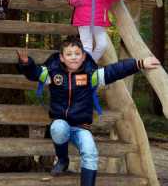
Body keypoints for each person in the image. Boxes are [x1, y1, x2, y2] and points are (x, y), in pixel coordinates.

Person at [17, 36, 160, 185]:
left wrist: (140, 63)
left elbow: (114, 70)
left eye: (77, 54)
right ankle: (63, 160)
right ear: (62, 57)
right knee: (58, 127)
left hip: (81, 127)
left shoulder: (91, 74)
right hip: (62, 124)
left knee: (90, 152)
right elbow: (34, 72)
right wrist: (26, 63)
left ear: (84, 56)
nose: (73, 57)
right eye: (69, 54)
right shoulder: (52, 73)